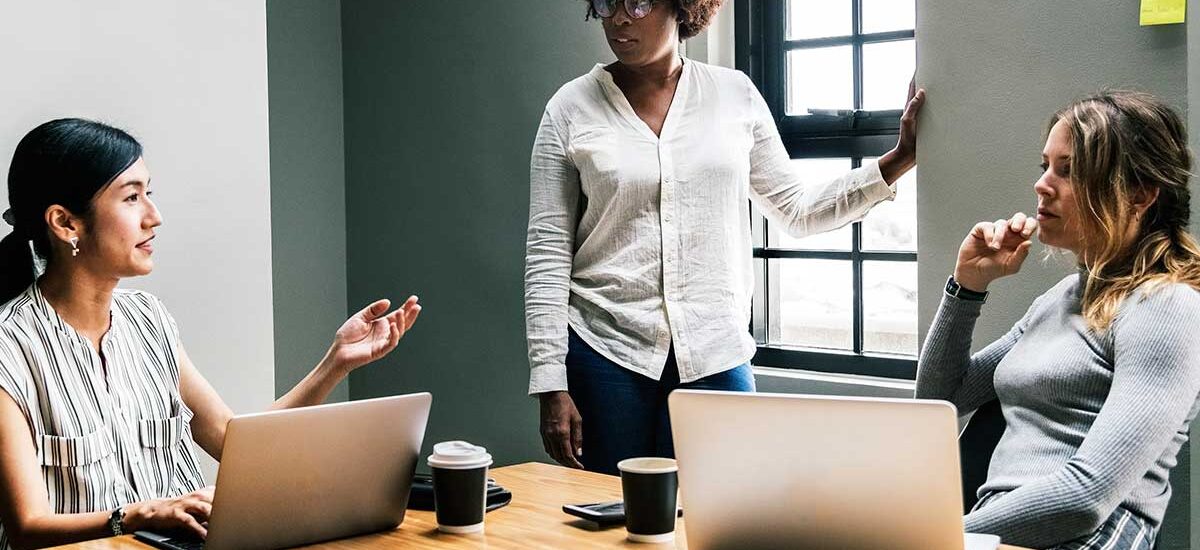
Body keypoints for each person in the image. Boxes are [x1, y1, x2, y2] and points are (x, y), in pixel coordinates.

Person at [526, 0, 925, 474]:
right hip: (605, 352)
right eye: (607, 3)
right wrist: (550, 381)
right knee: (613, 512)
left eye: (638, 2)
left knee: (722, 505)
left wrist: (897, 160)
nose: (619, 18)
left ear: (681, 6)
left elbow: (796, 209)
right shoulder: (570, 108)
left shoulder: (734, 95)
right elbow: (547, 252)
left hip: (715, 350)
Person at [0, 119, 422, 549]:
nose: (154, 217)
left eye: (149, 193)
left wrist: (335, 363)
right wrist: (140, 515)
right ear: (65, 223)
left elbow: (237, 446)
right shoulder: (9, 349)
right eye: (131, 197)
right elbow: (27, 527)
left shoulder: (149, 319)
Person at [917, 91, 1200, 549]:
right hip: (999, 528)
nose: (1042, 185)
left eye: (1069, 171)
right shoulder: (1060, 299)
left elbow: (1086, 498)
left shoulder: (1165, 306)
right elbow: (939, 400)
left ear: (1140, 194)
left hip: (1086, 534)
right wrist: (967, 287)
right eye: (1045, 165)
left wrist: (936, 536)